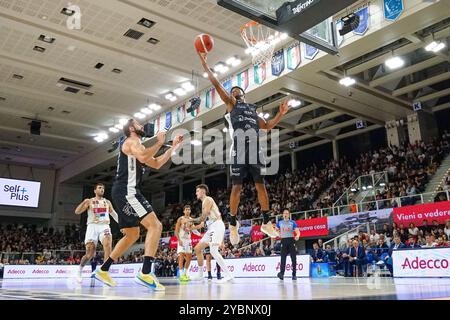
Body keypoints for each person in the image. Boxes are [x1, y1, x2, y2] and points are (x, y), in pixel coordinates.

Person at [197, 50, 289, 245]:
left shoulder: (252, 111)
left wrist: (280, 114)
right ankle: (232, 222)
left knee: (260, 185)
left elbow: (269, 126)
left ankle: (266, 221)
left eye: (238, 91)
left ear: (244, 96)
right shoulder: (231, 105)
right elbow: (216, 84)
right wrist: (205, 66)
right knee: (237, 188)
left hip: (255, 149)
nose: (234, 92)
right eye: (232, 92)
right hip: (239, 149)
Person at [93, 120, 183, 290]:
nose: (143, 126)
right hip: (128, 191)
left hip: (123, 191)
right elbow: (144, 157)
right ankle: (145, 272)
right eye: (139, 124)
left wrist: (173, 148)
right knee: (155, 226)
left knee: (132, 235)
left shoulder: (139, 147)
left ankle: (103, 270)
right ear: (132, 129)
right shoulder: (132, 142)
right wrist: (159, 142)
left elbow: (156, 163)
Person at [74, 182, 118, 282]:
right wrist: (83, 202)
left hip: (104, 226)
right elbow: (77, 212)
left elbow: (114, 214)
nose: (102, 189)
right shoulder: (89, 201)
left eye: (103, 188)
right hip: (92, 226)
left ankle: (104, 272)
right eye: (99, 188)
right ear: (95, 190)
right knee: (90, 254)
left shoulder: (107, 202)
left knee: (108, 244)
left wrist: (123, 224)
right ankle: (80, 270)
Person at [190, 184, 233, 283]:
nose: (196, 193)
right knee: (197, 249)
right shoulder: (204, 202)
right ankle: (200, 275)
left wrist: (191, 220)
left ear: (203, 191)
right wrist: (193, 224)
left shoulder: (208, 200)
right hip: (211, 228)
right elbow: (204, 221)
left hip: (217, 226)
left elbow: (203, 217)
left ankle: (228, 275)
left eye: (197, 191)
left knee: (213, 251)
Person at [274, 209, 300, 280]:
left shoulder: (292, 222)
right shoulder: (279, 223)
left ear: (289, 214)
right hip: (284, 241)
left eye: (287, 213)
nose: (285, 214)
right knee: (283, 259)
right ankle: (281, 274)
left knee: (294, 259)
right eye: (284, 213)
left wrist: (297, 235)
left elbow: (298, 231)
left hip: (291, 241)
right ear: (283, 215)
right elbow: (275, 230)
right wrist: (278, 233)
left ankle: (294, 275)